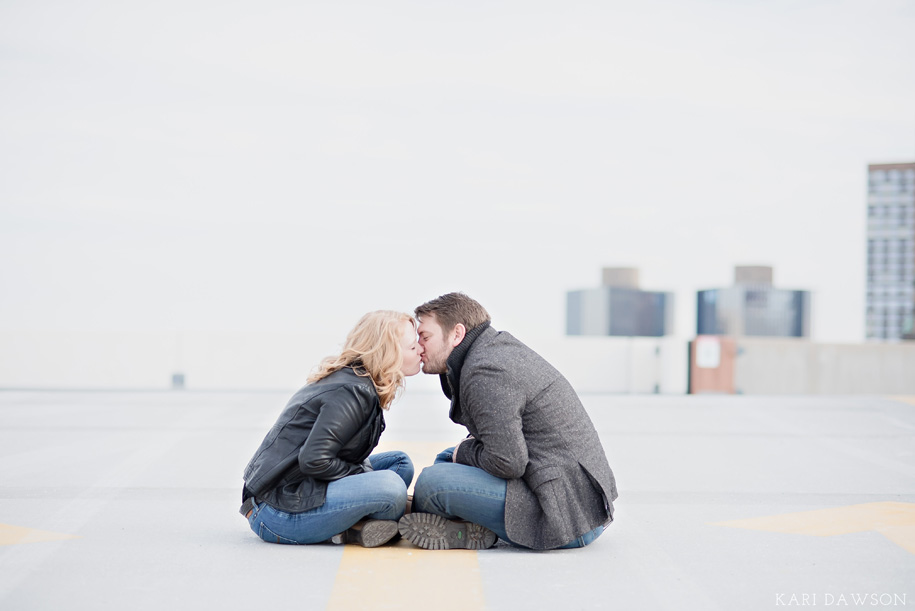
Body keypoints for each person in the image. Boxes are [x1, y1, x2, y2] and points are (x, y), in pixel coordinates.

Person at [397, 292, 618, 551]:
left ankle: (431, 519)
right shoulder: (490, 351)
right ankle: (458, 524)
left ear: (457, 334)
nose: (420, 347)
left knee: (432, 484)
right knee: (448, 459)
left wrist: (465, 451)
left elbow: (508, 462)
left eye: (425, 337)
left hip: (565, 518)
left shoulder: (485, 371)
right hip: (576, 500)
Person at [240, 310, 423, 547]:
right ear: (388, 354)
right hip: (275, 510)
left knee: (400, 463)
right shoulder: (352, 392)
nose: (420, 350)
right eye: (412, 347)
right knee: (391, 487)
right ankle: (360, 526)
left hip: (304, 486)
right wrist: (368, 479)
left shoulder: (357, 381)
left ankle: (364, 523)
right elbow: (314, 460)